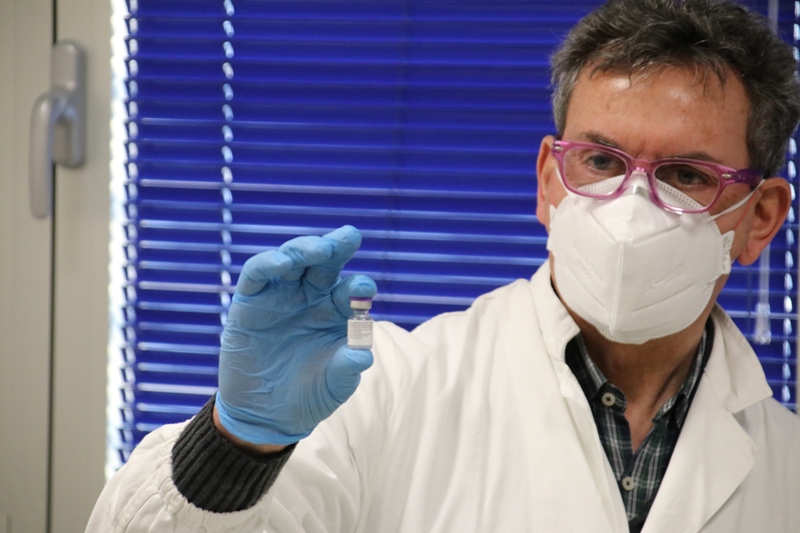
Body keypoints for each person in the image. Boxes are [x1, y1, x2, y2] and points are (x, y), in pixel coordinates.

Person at [86, 0, 800, 531]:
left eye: (685, 176)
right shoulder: (378, 392)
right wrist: (239, 442)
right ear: (548, 182)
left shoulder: (787, 466)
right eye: (600, 161)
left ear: (760, 218)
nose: (630, 207)